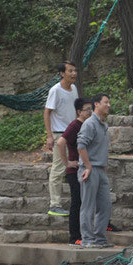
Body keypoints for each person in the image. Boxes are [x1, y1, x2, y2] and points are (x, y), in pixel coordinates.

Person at [77, 93, 113, 249]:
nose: (109, 105)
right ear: (96, 104)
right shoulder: (90, 123)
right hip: (90, 170)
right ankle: (87, 239)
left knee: (105, 204)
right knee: (88, 205)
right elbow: (81, 145)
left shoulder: (104, 125)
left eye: (109, 102)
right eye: (106, 102)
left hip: (101, 170)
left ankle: (99, 238)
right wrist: (87, 166)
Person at [44, 61, 79, 216]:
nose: (73, 73)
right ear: (62, 73)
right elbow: (47, 112)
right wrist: (49, 136)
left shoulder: (74, 89)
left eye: (75, 70)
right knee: (58, 168)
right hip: (59, 134)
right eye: (70, 71)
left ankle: (77, 199)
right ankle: (55, 204)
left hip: (73, 132)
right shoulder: (55, 90)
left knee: (75, 165)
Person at [57, 97, 93, 246]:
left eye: (91, 109)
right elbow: (60, 142)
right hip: (74, 171)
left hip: (85, 169)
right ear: (79, 111)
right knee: (76, 203)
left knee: (86, 202)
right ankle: (74, 237)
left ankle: (86, 233)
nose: (90, 112)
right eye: (87, 110)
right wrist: (67, 162)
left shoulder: (88, 125)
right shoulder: (75, 126)